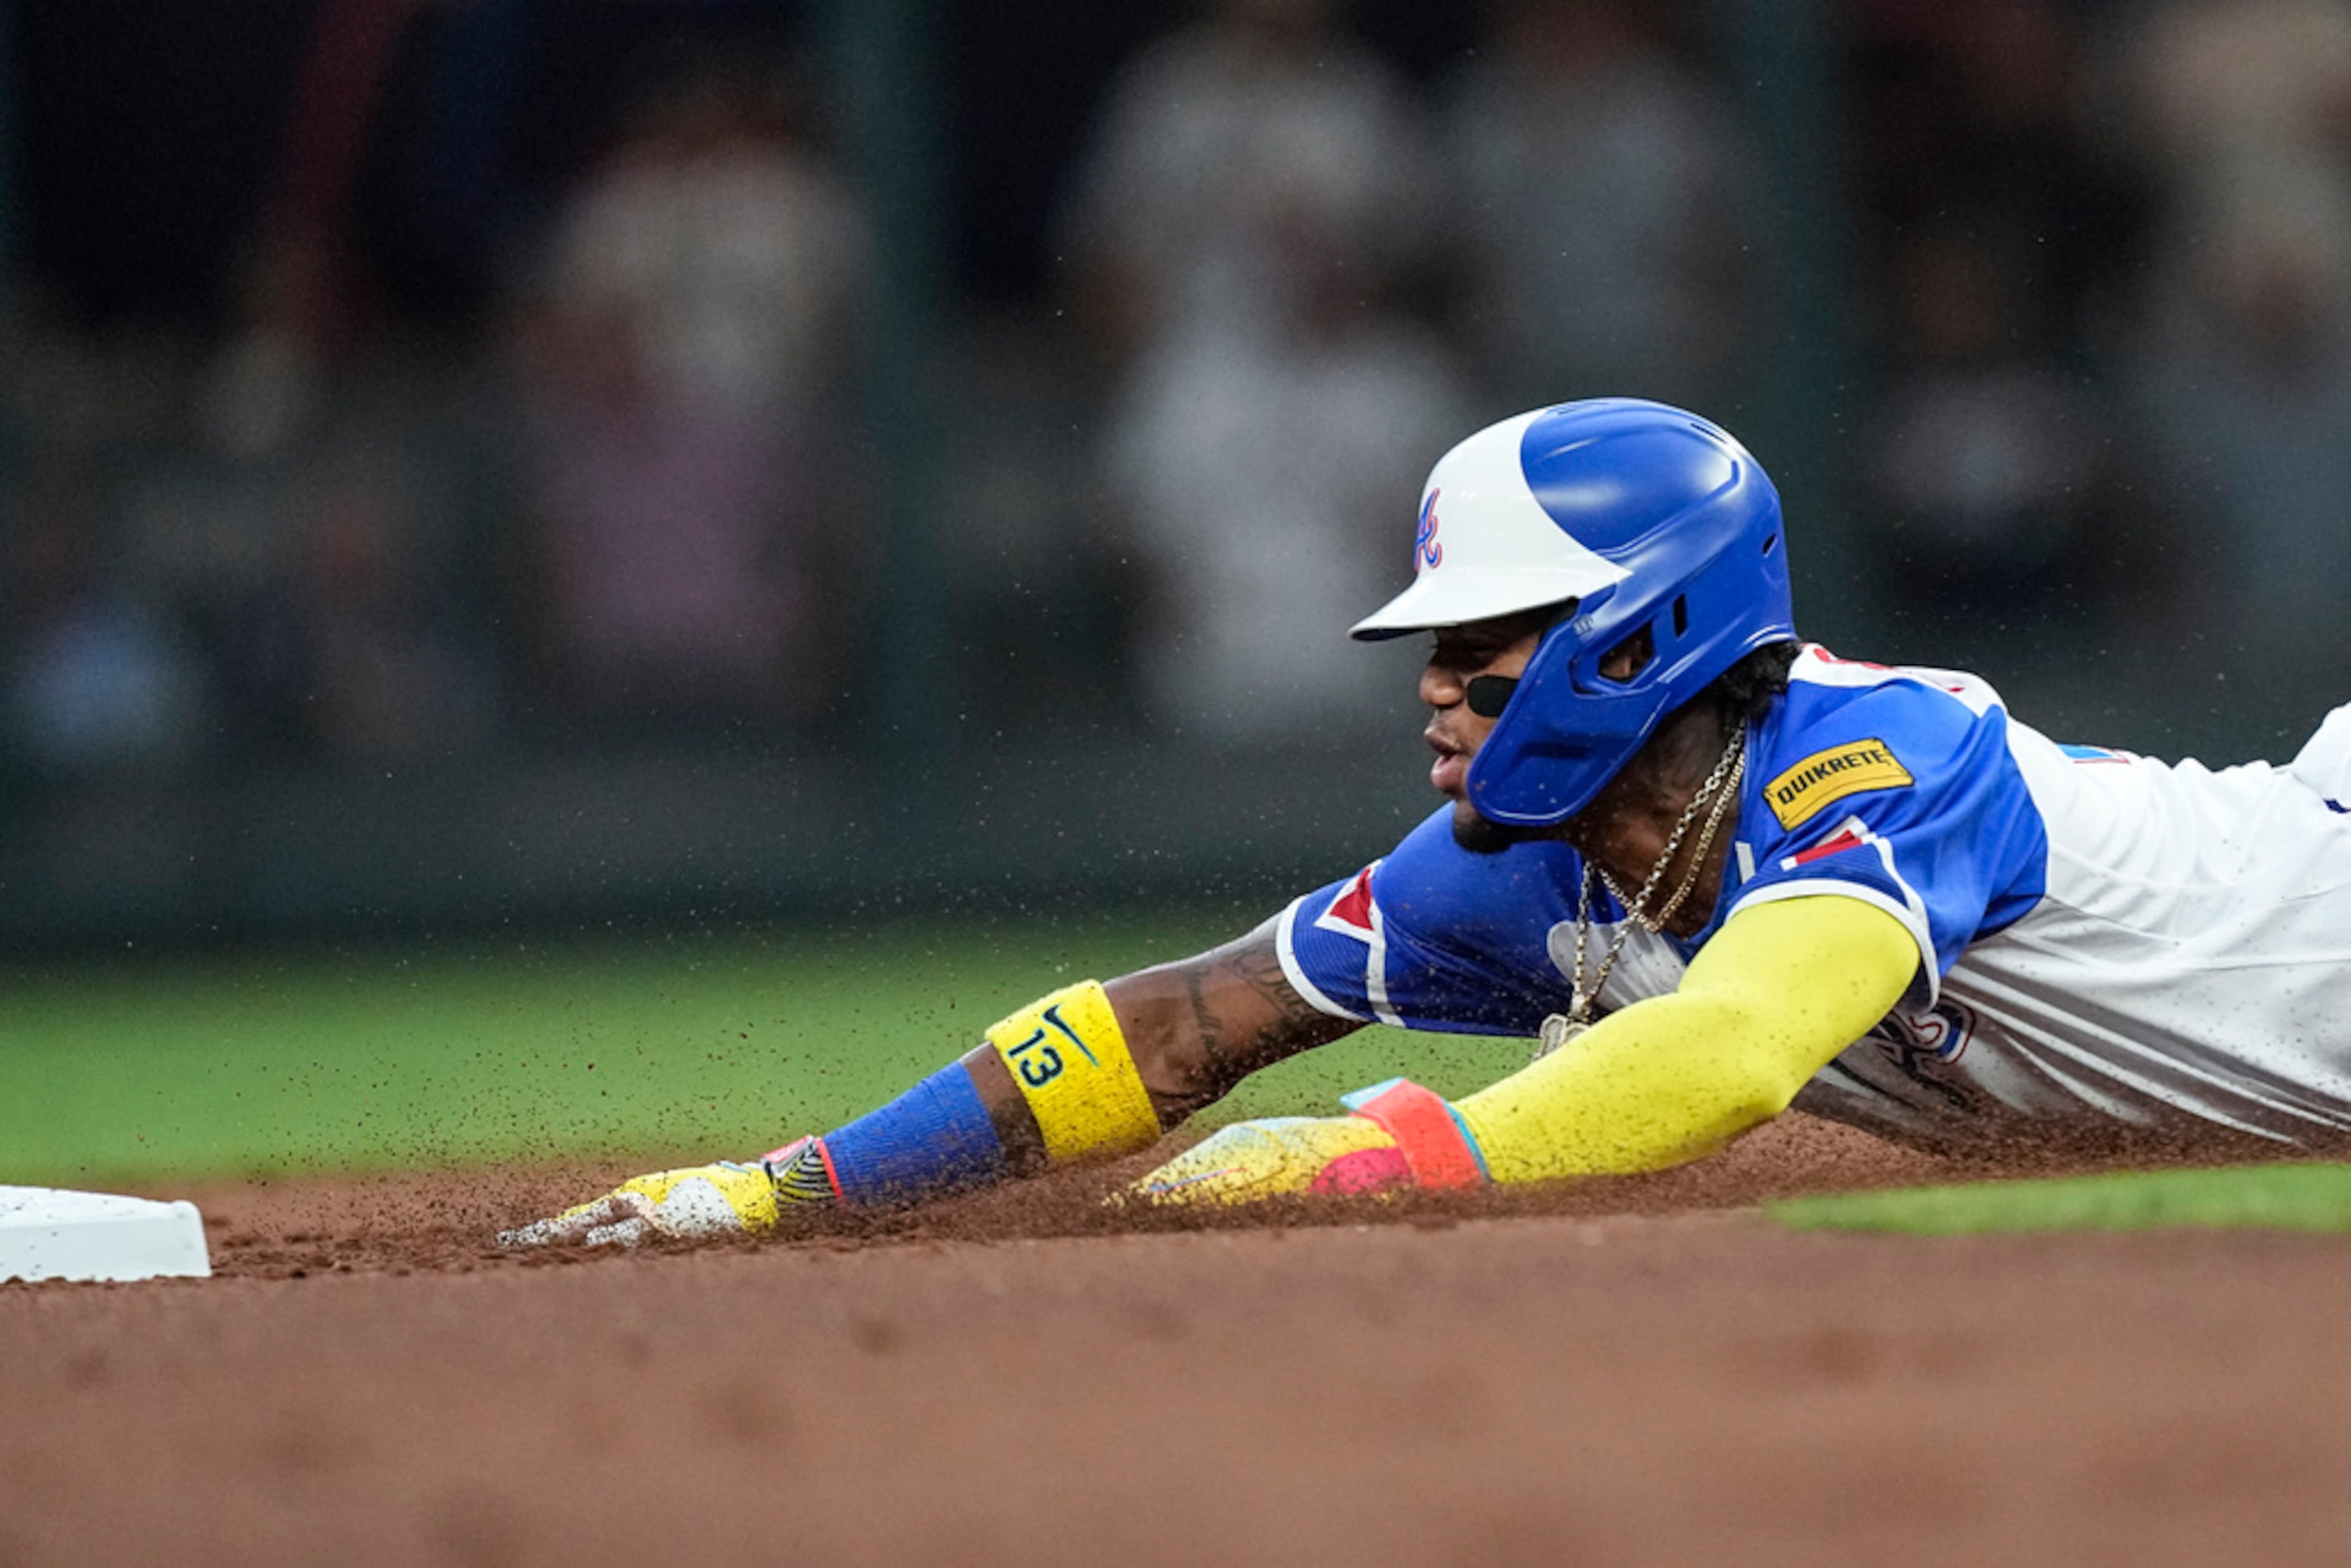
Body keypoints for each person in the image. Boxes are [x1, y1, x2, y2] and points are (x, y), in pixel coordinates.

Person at [503, 397, 2351, 1247]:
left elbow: (1732, 1044)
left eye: (1483, 646)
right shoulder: (1527, 861)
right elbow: (1188, 1023)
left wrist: (1388, 1165)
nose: (1436, 686)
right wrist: (783, 1186)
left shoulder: (1874, 757)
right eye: (1432, 647)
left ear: (1641, 634)